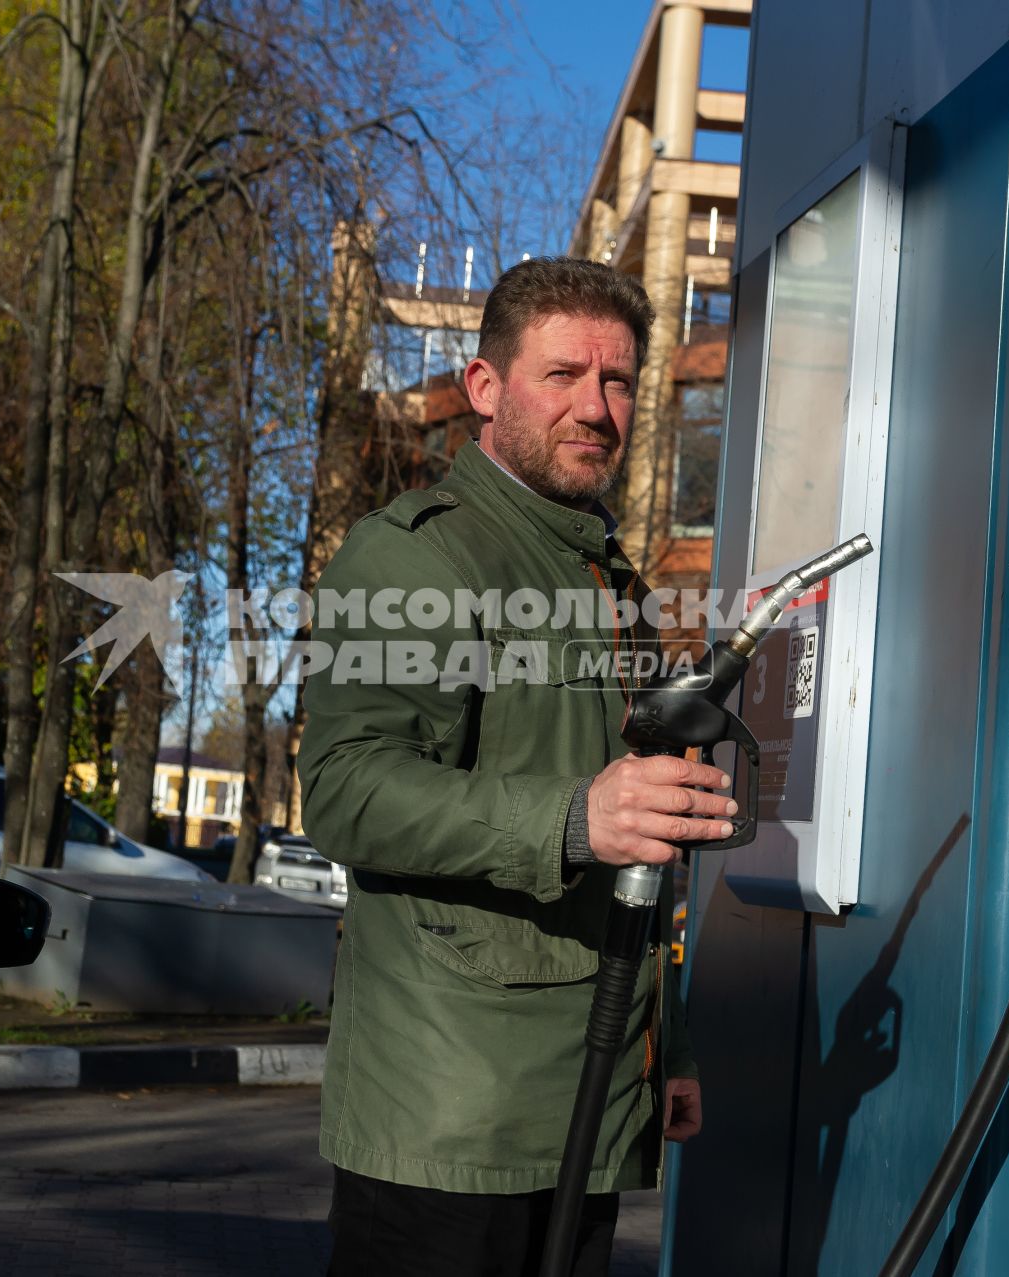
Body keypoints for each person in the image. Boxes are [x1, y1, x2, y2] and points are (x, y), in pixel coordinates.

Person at [298, 257, 729, 1275]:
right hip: (449, 1124)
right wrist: (572, 818)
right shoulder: (418, 556)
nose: (597, 407)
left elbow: (641, 846)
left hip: (585, 1096)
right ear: (487, 389)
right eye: (563, 374)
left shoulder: (605, 578)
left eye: (618, 381)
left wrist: (667, 1045)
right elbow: (346, 787)